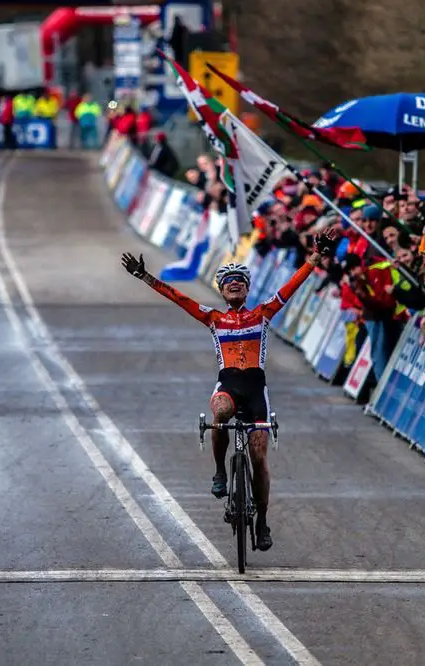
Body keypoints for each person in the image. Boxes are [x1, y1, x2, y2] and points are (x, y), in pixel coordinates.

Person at [119, 227, 341, 551]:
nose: (234, 284)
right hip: (228, 385)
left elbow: (291, 286)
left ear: (248, 289)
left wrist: (317, 256)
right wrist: (145, 277)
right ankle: (220, 472)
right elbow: (179, 298)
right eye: (228, 282)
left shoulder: (263, 314)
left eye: (240, 281)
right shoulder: (213, 318)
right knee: (220, 412)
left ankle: (262, 521)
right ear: (222, 291)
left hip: (256, 391)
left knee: (259, 456)